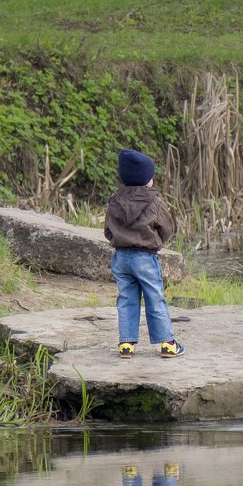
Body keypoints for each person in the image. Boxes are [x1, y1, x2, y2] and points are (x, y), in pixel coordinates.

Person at [105, 148, 184, 359]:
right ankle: (168, 344)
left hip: (121, 258)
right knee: (154, 298)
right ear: (145, 180)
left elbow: (107, 230)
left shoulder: (114, 201)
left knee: (126, 299)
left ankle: (126, 344)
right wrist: (156, 240)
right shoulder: (154, 202)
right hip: (145, 258)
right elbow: (167, 228)